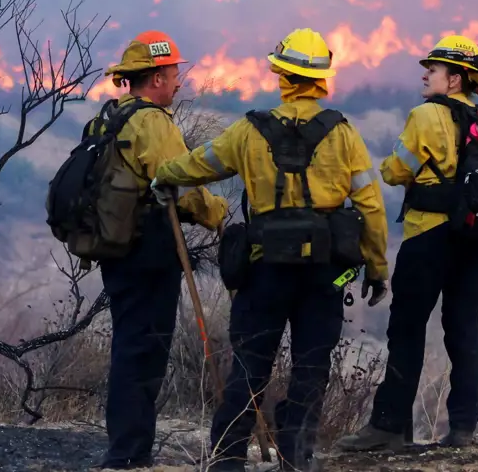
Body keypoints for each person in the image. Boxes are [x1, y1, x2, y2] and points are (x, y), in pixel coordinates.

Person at [153, 27, 390, 472]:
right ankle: (296, 456)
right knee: (312, 367)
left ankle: (227, 459)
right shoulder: (343, 134)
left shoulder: (249, 131)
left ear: (281, 75)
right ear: (321, 80)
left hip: (264, 270)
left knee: (249, 366)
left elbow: (201, 163)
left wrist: (165, 175)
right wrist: (377, 269)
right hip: (323, 273)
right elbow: (371, 207)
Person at [337, 35, 478, 452]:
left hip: (429, 235)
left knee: (406, 329)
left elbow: (395, 171)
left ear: (455, 78)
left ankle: (388, 427)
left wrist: (394, 164)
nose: (426, 75)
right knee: (463, 330)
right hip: (474, 239)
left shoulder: (425, 115)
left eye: (434, 69)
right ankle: (463, 428)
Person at [93, 31, 228, 469]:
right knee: (146, 349)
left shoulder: (110, 117)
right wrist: (218, 212)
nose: (177, 82)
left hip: (117, 248)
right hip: (149, 249)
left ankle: (129, 447)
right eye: (172, 74)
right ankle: (128, 455)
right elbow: (180, 184)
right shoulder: (152, 122)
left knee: (129, 344)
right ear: (154, 78)